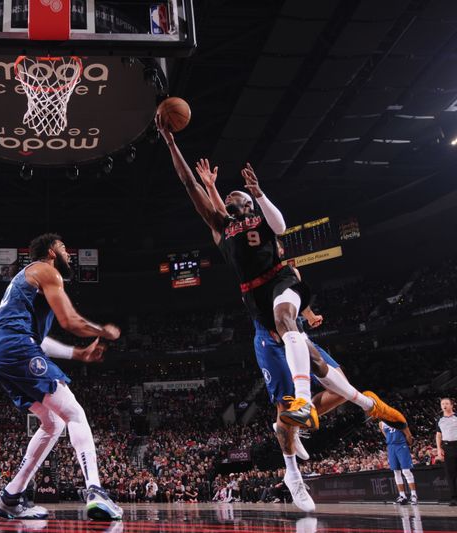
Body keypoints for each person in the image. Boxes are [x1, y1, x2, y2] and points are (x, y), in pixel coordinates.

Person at [155, 120, 406, 513]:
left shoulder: (263, 221)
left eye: (240, 196)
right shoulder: (223, 229)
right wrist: (172, 143)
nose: (233, 197)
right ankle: (293, 473)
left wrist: (307, 309)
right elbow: (192, 189)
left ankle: (338, 402)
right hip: (261, 320)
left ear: (249, 204)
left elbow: (282, 229)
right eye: (231, 196)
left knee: (294, 327)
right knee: (283, 421)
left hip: (281, 290)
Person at [0, 233, 122, 520]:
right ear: (50, 252)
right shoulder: (46, 270)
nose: (69, 254)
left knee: (52, 422)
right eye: (63, 248)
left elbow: (38, 341)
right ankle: (96, 491)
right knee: (75, 414)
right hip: (14, 345)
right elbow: (70, 321)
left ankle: (10, 496)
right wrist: (101, 330)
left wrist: (78, 355)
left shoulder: (25, 281)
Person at [380, 421, 417, 504]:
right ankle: (402, 496)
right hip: (391, 447)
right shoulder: (381, 423)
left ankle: (414, 495)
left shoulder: (398, 419)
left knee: (406, 471)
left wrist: (409, 444)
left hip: (401, 445)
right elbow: (386, 435)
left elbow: (408, 435)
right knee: (396, 472)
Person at [436, 397, 457, 505]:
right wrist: (439, 449)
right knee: (450, 473)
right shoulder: (439, 420)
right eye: (443, 403)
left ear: (452, 405)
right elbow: (438, 435)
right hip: (448, 447)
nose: (445, 405)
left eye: (447, 403)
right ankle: (454, 498)